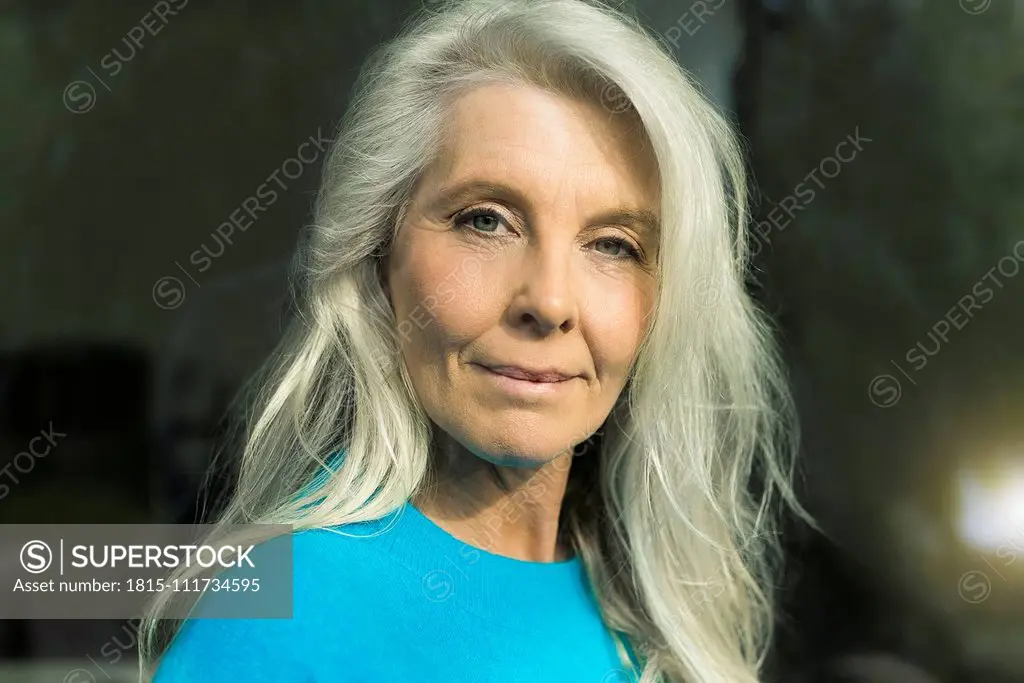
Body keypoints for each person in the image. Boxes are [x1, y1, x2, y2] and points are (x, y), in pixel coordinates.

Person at [142, 0, 807, 681]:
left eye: (613, 244)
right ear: (379, 255)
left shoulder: (649, 597)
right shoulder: (279, 619)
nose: (548, 301)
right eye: (486, 221)